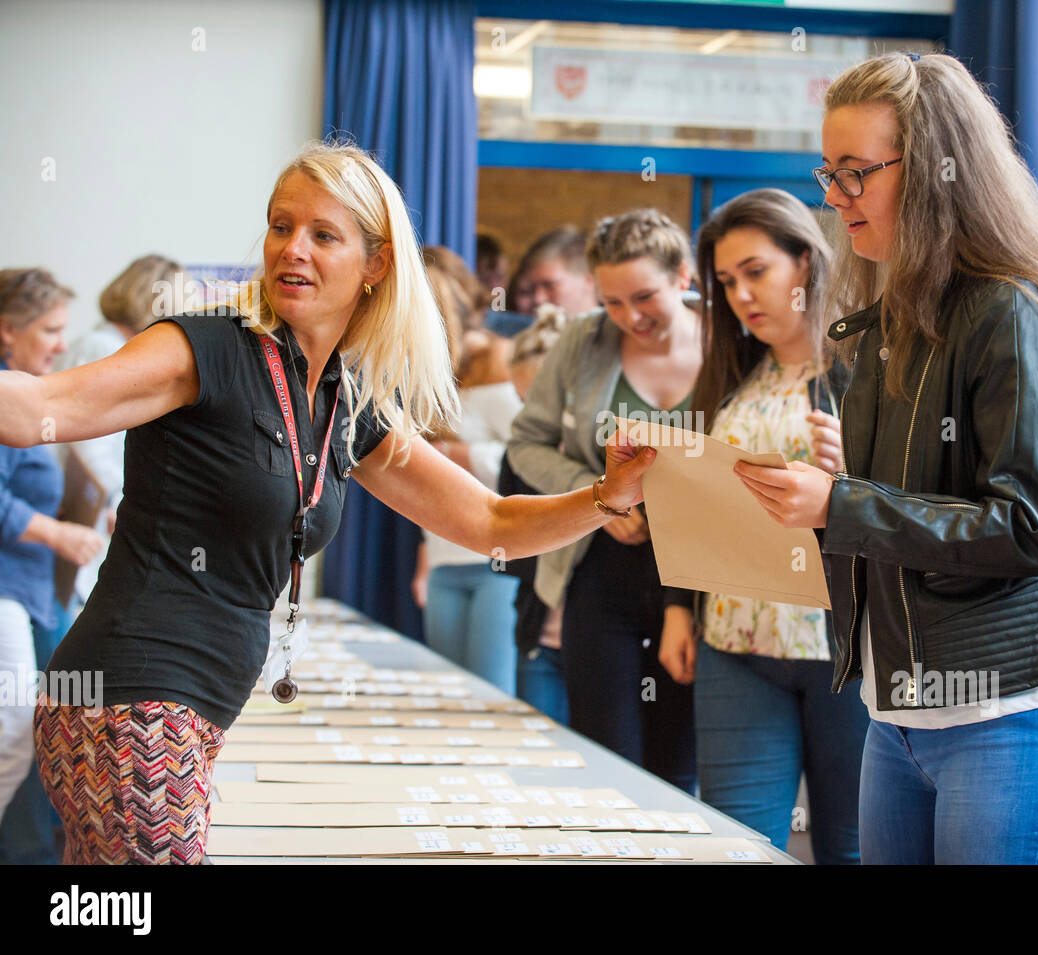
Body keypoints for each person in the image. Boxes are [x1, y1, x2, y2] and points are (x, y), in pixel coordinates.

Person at [0, 141, 655, 864]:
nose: (293, 250)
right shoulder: (202, 349)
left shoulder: (346, 400)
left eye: (322, 234)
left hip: (180, 714)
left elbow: (488, 521)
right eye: (281, 227)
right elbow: (35, 410)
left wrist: (604, 496)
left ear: (376, 264)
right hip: (129, 702)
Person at [733, 51, 1038, 864]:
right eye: (826, 172)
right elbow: (898, 512)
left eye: (855, 173)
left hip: (1014, 715)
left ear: (941, 171)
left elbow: (1025, 528)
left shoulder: (1011, 312)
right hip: (899, 715)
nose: (832, 199)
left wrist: (838, 505)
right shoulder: (886, 320)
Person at [657, 188, 870, 863]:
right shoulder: (727, 374)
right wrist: (676, 609)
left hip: (846, 648)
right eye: (726, 281)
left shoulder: (869, 369)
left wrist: (856, 475)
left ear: (805, 262)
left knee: (852, 846)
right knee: (737, 846)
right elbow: (695, 505)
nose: (742, 295)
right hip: (734, 640)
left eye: (757, 271)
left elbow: (918, 505)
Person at [507, 209, 700, 792]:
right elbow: (526, 445)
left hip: (695, 574)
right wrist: (599, 499)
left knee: (678, 768)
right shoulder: (581, 339)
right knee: (605, 761)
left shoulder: (732, 343)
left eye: (643, 297)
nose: (628, 317)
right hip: (600, 569)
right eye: (611, 302)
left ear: (683, 278)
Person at [0, 269, 104, 824]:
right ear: (7, 331)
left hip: (27, 595)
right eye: (50, 331)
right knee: (14, 738)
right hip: (6, 598)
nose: (63, 345)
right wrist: (59, 533)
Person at [411, 246, 521, 693]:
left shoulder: (500, 361)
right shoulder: (430, 373)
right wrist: (424, 563)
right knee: (449, 695)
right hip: (443, 561)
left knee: (489, 697)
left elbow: (528, 465)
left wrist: (458, 455)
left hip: (496, 563)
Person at [59, 254, 188, 603]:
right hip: (87, 509)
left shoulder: (112, 347)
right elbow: (89, 441)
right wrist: (120, 497)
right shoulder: (102, 348)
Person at [496, 305, 572, 724]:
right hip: (538, 634)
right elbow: (509, 544)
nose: (531, 418)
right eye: (523, 403)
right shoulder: (518, 455)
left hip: (592, 641)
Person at [511, 226, 599, 318]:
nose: (537, 299)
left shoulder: (612, 330)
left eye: (549, 286)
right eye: (532, 288)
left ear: (589, 280)